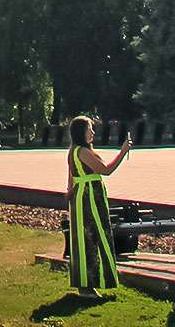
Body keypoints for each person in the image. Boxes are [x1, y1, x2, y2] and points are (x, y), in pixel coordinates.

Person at [65, 115, 131, 300]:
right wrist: (123, 151)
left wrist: (70, 193)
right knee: (93, 238)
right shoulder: (83, 152)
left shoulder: (73, 151)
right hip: (89, 199)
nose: (93, 132)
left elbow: (70, 177)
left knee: (86, 239)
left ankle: (88, 284)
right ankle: (89, 286)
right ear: (81, 132)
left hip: (83, 197)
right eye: (90, 129)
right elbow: (106, 170)